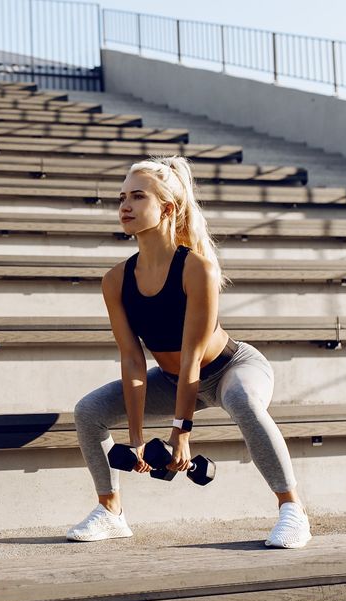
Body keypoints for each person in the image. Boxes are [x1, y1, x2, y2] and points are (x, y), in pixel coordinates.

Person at [66, 156, 312, 548]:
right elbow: (132, 361)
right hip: (172, 379)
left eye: (137, 196)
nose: (124, 206)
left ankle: (292, 510)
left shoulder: (197, 269)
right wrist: (136, 439)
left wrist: (181, 433)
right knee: (89, 411)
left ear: (166, 208)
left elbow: (193, 356)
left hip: (231, 367)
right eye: (121, 197)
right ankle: (111, 512)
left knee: (243, 400)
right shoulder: (115, 280)